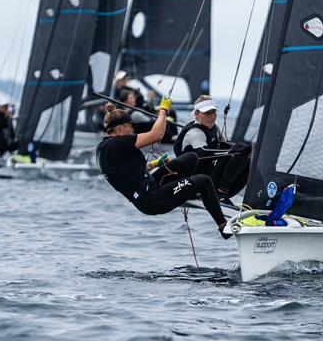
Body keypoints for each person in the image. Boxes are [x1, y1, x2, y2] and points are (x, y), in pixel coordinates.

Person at [96, 99, 232, 239]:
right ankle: (223, 227)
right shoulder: (118, 143)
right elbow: (157, 135)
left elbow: (128, 172)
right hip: (150, 199)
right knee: (204, 180)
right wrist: (163, 111)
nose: (132, 129)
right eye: (130, 126)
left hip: (150, 185)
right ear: (119, 129)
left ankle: (192, 189)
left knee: (190, 157)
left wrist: (156, 163)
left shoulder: (104, 147)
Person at [173, 95, 251, 201]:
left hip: (209, 176)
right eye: (207, 113)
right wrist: (234, 151)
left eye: (213, 112)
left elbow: (225, 145)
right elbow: (204, 154)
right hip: (193, 181)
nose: (211, 116)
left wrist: (242, 150)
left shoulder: (215, 128)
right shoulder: (194, 133)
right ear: (196, 114)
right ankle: (220, 192)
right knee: (237, 152)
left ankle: (225, 195)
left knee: (246, 157)